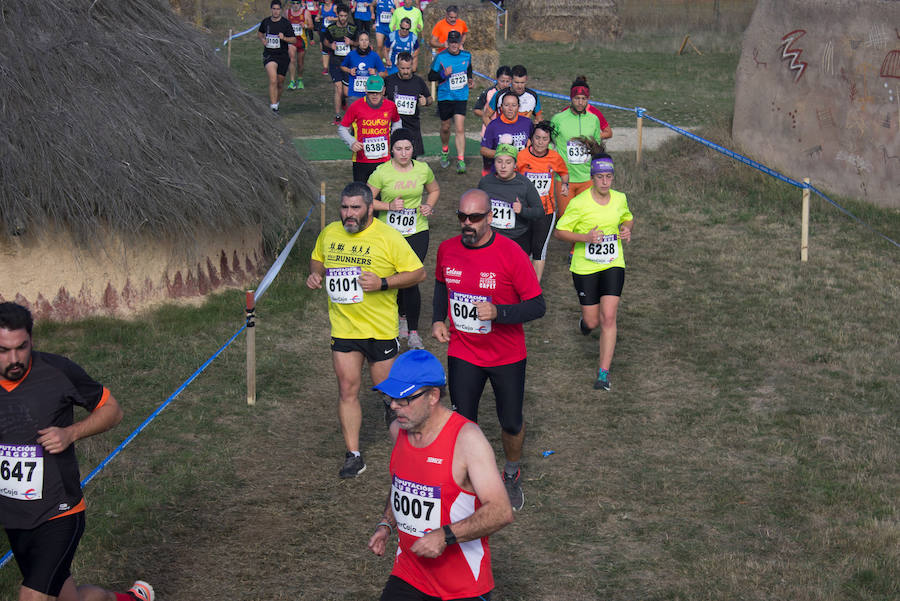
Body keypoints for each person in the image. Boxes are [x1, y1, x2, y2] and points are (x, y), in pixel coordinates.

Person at [0, 302, 154, 601]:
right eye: (4, 351)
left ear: (32, 340)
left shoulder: (57, 371)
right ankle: (130, 599)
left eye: (22, 347)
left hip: (59, 512)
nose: (15, 358)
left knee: (32, 596)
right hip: (15, 516)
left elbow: (113, 410)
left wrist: (70, 433)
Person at [431, 189, 546, 511]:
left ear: (490, 218)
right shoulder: (447, 250)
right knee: (464, 420)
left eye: (475, 218)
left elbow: (538, 306)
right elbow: (442, 284)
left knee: (510, 421)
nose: (467, 224)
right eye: (461, 217)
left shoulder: (511, 254)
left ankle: (511, 473)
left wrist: (500, 313)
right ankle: (468, 479)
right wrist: (438, 319)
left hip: (506, 355)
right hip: (463, 351)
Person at [367, 350, 513, 601]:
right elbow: (402, 484)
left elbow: (501, 511)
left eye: (404, 400)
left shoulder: (467, 440)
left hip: (461, 587)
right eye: (390, 398)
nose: (393, 406)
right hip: (409, 573)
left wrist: (445, 536)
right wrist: (386, 523)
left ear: (433, 396)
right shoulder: (398, 430)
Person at [307, 182, 426, 478]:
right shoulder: (330, 232)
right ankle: (354, 455)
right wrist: (315, 273)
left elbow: (418, 273)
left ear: (370, 208)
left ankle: (408, 446)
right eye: (344, 207)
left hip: (379, 330)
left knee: (390, 394)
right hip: (344, 328)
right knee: (347, 389)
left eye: (355, 208)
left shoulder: (389, 237)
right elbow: (318, 257)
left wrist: (383, 283)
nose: (349, 214)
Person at [553, 147, 634, 391]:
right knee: (592, 321)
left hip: (612, 263)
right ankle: (585, 325)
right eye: (600, 177)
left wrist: (627, 228)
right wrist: (585, 237)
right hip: (585, 267)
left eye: (609, 177)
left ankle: (603, 374)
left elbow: (627, 217)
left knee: (609, 316)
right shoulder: (579, 203)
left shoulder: (619, 198)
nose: (605, 181)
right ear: (593, 177)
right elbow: (559, 231)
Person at [368, 129, 440, 350]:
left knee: (411, 280)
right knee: (394, 279)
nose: (403, 153)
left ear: (413, 149)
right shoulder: (381, 172)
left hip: (417, 231)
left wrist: (429, 205)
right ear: (391, 150)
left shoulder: (422, 169)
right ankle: (400, 317)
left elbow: (434, 189)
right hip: (389, 234)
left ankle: (414, 330)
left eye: (408, 148)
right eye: (399, 148)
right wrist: (388, 206)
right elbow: (366, 202)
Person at [550, 76, 611, 220]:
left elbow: (596, 147)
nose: (580, 102)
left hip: (586, 178)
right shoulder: (558, 119)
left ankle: (579, 243)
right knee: (565, 217)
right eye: (577, 98)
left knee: (586, 218)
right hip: (565, 178)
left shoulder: (593, 120)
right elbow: (548, 141)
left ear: (588, 99)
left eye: (584, 98)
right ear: (571, 98)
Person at [516, 121, 569, 281]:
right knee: (523, 248)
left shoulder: (554, 157)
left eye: (545, 139)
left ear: (549, 141)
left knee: (539, 248)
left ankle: (535, 287)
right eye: (537, 138)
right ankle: (521, 280)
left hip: (546, 211)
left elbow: (564, 172)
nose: (540, 142)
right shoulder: (522, 156)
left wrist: (565, 184)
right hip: (524, 210)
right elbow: (513, 175)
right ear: (531, 138)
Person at [476, 144, 543, 257]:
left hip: (518, 239)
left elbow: (539, 211)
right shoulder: (485, 183)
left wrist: (523, 211)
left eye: (508, 162)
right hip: (491, 238)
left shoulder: (524, 184)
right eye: (499, 161)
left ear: (515, 164)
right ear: (494, 162)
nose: (503, 166)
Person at [339, 75, 401, 182]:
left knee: (382, 196)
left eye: (378, 92)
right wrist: (352, 142)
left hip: (384, 160)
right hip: (361, 160)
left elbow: (397, 121)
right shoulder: (356, 106)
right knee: (362, 195)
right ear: (366, 90)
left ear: (384, 90)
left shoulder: (391, 106)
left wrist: (394, 138)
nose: (375, 95)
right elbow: (342, 128)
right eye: (371, 92)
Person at [427, 30, 473, 174]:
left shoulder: (467, 55)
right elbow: (430, 76)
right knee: (446, 127)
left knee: (459, 128)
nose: (454, 45)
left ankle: (461, 160)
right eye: (452, 42)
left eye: (456, 42)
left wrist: (470, 79)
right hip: (445, 96)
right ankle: (445, 150)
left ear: (460, 43)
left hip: (461, 96)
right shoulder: (441, 57)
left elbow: (469, 69)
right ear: (447, 43)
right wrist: (443, 74)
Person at [383, 52, 431, 157]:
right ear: (397, 66)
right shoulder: (389, 80)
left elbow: (429, 98)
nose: (405, 72)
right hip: (393, 126)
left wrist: (426, 101)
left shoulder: (418, 81)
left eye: (408, 68)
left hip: (412, 127)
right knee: (393, 159)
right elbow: (379, 96)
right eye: (402, 68)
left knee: (412, 160)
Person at [257, 0, 297, 113]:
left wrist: (284, 38)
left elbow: (294, 39)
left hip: (283, 56)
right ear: (271, 10)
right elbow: (260, 33)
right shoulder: (266, 22)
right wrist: (262, 39)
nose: (275, 11)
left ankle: (276, 103)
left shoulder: (285, 23)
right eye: (274, 9)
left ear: (281, 10)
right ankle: (274, 107)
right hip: (269, 55)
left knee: (280, 83)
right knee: (273, 79)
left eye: (278, 9)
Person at [479, 92, 532, 175]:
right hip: (500, 173)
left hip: (522, 171)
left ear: (518, 107)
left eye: (514, 105)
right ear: (501, 107)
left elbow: (533, 144)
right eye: (507, 105)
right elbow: (483, 150)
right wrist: (503, 154)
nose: (510, 108)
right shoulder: (493, 125)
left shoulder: (527, 123)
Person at [324, 3, 359, 124]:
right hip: (335, 62)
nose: (343, 18)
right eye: (341, 16)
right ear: (337, 15)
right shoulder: (331, 28)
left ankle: (344, 102)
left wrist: (352, 42)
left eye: (345, 16)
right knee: (338, 88)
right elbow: (325, 42)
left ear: (348, 16)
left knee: (345, 92)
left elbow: (359, 43)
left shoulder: (352, 28)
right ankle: (338, 116)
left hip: (348, 63)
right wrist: (330, 45)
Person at [341, 31, 386, 102]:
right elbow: (342, 66)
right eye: (362, 40)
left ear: (369, 42)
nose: (364, 42)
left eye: (366, 40)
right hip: (354, 93)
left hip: (369, 94)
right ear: (358, 42)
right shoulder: (351, 54)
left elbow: (384, 73)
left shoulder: (374, 56)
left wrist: (376, 73)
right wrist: (349, 70)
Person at [473, 65, 511, 137]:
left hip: (507, 131)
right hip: (489, 130)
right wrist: (487, 116)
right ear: (497, 79)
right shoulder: (489, 92)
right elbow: (476, 110)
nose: (505, 84)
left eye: (507, 81)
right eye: (502, 81)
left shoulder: (512, 94)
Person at [286, 0, 312, 90]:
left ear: (300, 4)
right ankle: (292, 81)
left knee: (300, 63)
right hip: (291, 40)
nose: (295, 5)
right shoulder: (287, 12)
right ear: (291, 4)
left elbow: (311, 26)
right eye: (293, 3)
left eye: (297, 3)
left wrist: (305, 26)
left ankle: (300, 79)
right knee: (292, 59)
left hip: (302, 41)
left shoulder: (306, 13)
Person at [317, 0, 338, 75]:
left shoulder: (334, 7)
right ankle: (325, 68)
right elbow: (319, 15)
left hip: (333, 31)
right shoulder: (321, 7)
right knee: (324, 48)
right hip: (324, 30)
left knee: (334, 48)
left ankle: (335, 65)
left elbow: (341, 17)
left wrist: (333, 19)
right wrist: (317, 17)